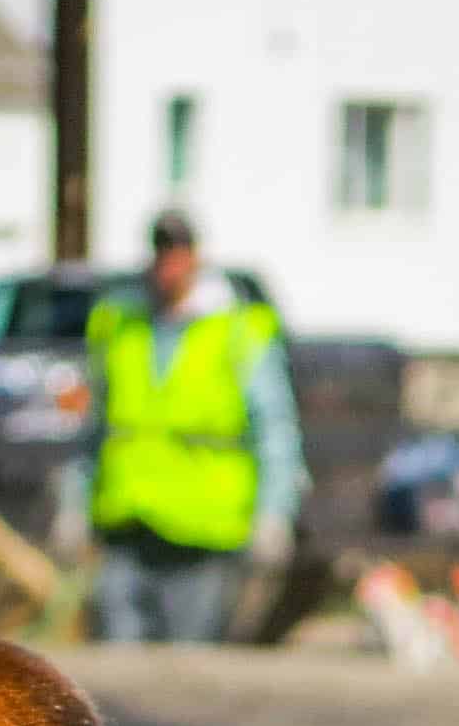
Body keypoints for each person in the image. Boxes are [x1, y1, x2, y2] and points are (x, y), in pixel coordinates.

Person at [58, 210, 306, 644]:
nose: (168, 266)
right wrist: (73, 502)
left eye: (178, 254)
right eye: (161, 254)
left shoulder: (239, 330)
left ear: (195, 258)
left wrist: (274, 513)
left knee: (187, 669)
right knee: (121, 668)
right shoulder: (119, 324)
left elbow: (275, 430)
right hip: (126, 521)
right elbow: (95, 425)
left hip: (202, 531)